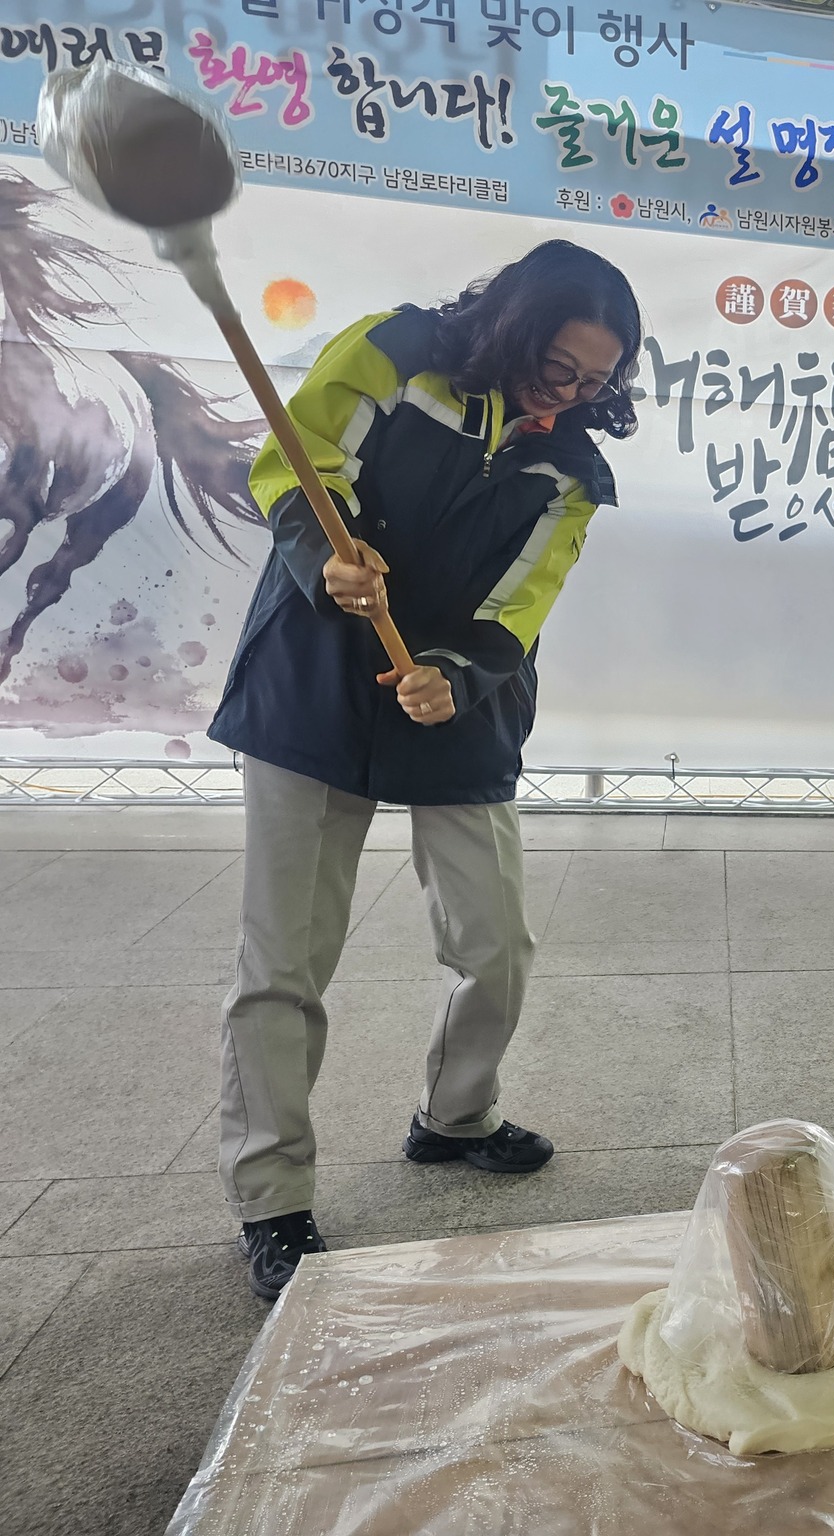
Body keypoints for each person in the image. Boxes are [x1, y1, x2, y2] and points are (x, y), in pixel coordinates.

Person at [207, 241, 641, 1302]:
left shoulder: (573, 470)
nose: (570, 395)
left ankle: (455, 1116)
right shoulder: (396, 353)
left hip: (455, 699)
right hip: (314, 676)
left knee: (496, 945)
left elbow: (522, 602)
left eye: (594, 381)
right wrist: (328, 554)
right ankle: (272, 1197)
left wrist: (457, 672)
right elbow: (296, 463)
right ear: (514, 324)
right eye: (558, 368)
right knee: (284, 960)